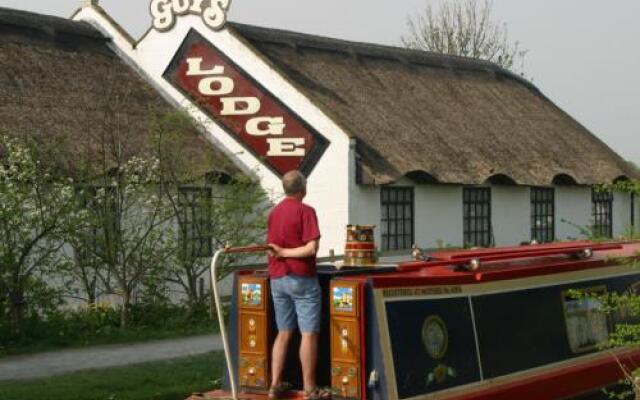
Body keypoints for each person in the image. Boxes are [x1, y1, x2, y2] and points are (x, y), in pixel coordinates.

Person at [267, 170, 330, 400]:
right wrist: (286, 253)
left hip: (277, 278)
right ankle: (310, 389)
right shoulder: (306, 211)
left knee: (283, 332)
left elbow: (272, 246)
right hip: (301, 277)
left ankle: (274, 385)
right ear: (303, 188)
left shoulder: (273, 213)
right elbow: (311, 249)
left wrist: (281, 253)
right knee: (309, 334)